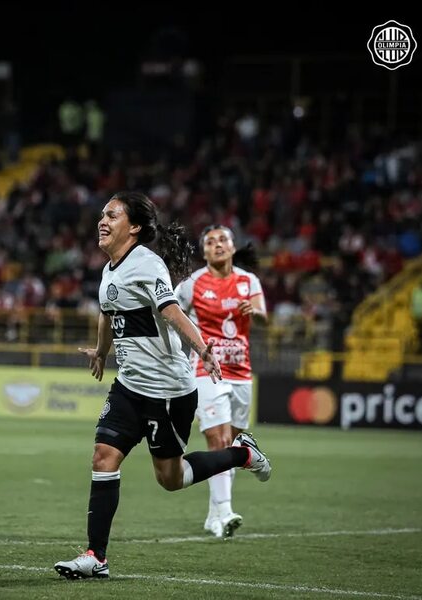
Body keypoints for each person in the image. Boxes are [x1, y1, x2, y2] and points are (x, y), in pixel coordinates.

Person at [54, 193, 271, 580]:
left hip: (168, 390)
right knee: (103, 456)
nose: (101, 220)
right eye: (101, 214)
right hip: (130, 385)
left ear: (134, 227)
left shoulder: (147, 264)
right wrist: (102, 353)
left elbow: (171, 311)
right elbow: (108, 313)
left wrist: (203, 349)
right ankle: (95, 556)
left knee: (170, 479)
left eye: (111, 214)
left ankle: (241, 454)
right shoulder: (110, 269)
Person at [175, 225, 268, 538]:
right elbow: (170, 312)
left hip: (241, 372)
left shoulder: (248, 280)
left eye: (222, 240)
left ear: (232, 246)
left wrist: (253, 309)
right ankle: (225, 510)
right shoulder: (192, 284)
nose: (217, 245)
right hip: (207, 369)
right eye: (210, 242)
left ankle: (214, 515)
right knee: (217, 439)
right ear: (203, 252)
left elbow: (264, 317)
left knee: (228, 445)